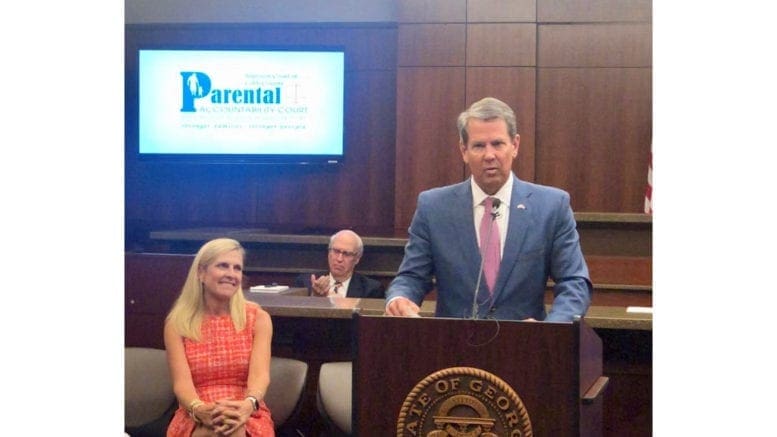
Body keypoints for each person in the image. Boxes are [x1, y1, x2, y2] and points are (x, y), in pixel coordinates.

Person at [386, 97, 592, 322]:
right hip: (453, 348)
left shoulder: (552, 206)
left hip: (526, 348)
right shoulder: (433, 207)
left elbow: (574, 282)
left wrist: (550, 330)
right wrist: (399, 298)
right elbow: (412, 277)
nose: (489, 155)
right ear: (463, 150)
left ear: (515, 145)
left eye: (497, 143)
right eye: (478, 146)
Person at [164, 238, 275, 436]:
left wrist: (247, 405)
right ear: (201, 273)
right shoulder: (177, 324)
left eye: (237, 268)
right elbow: (182, 384)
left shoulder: (258, 319)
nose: (231, 274)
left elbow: (260, 377)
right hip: (195, 411)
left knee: (233, 429)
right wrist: (199, 409)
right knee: (214, 431)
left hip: (247, 410)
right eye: (223, 266)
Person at [294, 229, 385, 299]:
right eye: (336, 251)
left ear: (357, 258)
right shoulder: (305, 283)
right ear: (329, 253)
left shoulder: (371, 289)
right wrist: (315, 298)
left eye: (346, 254)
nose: (339, 259)